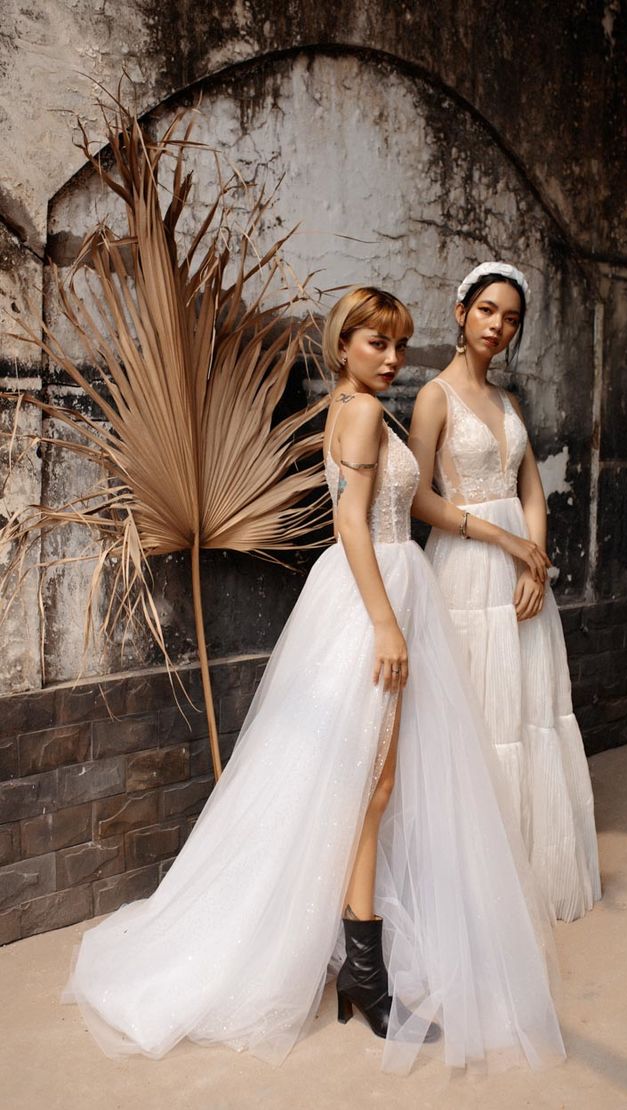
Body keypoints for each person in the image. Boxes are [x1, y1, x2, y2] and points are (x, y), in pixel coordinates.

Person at [63, 286, 565, 1075]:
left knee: (372, 784)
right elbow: (350, 524)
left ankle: (360, 959)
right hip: (374, 595)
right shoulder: (360, 413)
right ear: (343, 346)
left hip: (381, 588)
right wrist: (387, 622)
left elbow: (387, 510)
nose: (393, 358)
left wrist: (439, 577)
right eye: (376, 343)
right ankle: (363, 969)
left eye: (399, 345)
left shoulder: (357, 406)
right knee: (371, 782)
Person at [409, 262, 601, 923]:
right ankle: (476, 889)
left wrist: (533, 564)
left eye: (511, 318)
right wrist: (503, 542)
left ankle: (528, 870)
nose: (498, 325)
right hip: (465, 567)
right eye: (488, 310)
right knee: (477, 715)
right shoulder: (434, 396)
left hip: (520, 570)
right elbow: (418, 496)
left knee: (526, 710)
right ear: (461, 312)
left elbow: (532, 493)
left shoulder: (510, 403)